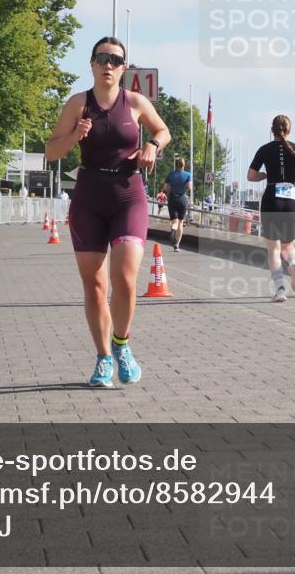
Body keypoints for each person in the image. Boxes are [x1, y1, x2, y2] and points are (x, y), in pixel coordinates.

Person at [45, 36, 171, 388]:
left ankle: (122, 343)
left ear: (123, 68)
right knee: (95, 285)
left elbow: (163, 130)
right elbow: (51, 152)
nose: (108, 65)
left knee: (126, 280)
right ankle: (103, 358)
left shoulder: (135, 102)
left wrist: (152, 144)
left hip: (128, 195)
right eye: (102, 58)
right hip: (88, 198)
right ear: (91, 64)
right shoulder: (78, 103)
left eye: (115, 60)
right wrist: (75, 135)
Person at [247, 115, 295, 303]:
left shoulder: (264, 149)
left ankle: (279, 289)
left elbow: (251, 176)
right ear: (289, 130)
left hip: (272, 198)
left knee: (273, 249)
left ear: (272, 130)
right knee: (288, 246)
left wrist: (264, 175)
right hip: (291, 199)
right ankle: (292, 264)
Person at [162, 157, 193, 252]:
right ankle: (177, 245)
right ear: (184, 165)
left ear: (176, 165)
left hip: (172, 199)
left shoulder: (171, 174)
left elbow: (165, 188)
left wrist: (170, 187)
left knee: (174, 221)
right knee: (181, 222)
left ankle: (173, 230)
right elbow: (189, 187)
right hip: (182, 199)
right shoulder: (188, 175)